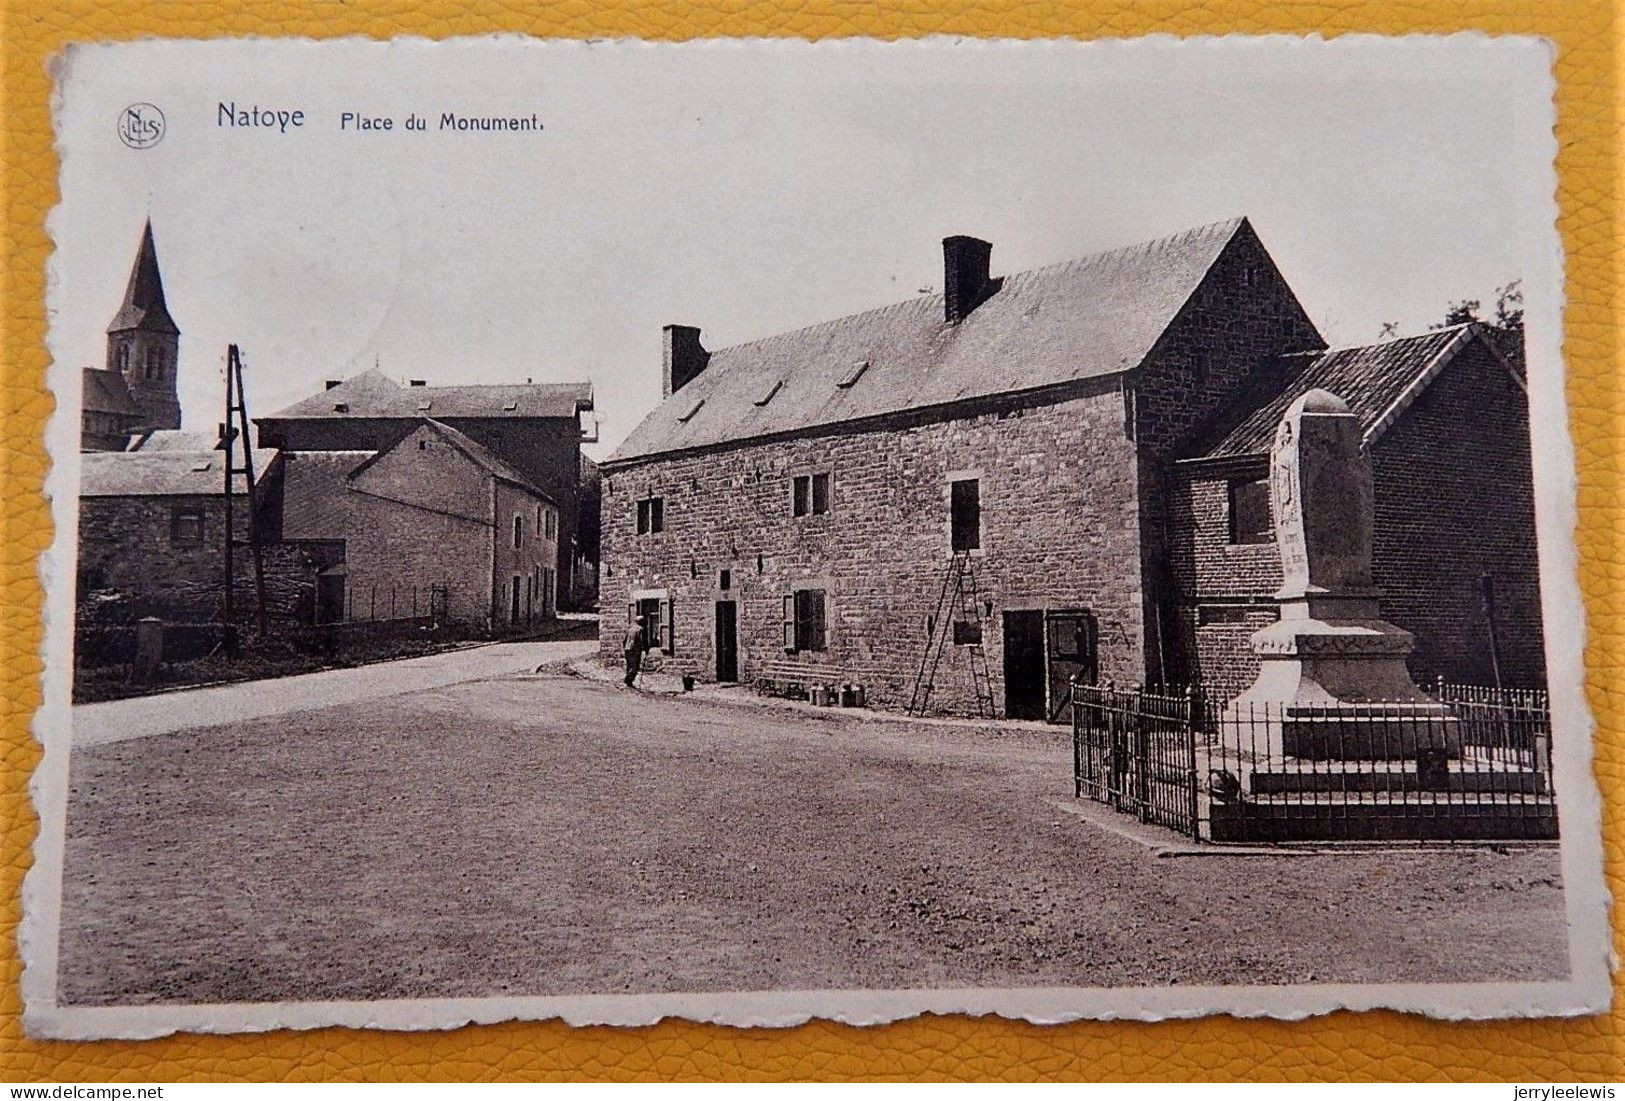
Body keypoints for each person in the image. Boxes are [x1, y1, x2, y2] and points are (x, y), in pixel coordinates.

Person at [623, 615, 648, 688]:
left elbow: (624, 640)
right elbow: (641, 641)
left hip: (627, 649)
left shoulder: (630, 629)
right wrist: (645, 649)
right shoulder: (640, 629)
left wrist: (625, 647)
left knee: (629, 665)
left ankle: (629, 682)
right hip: (635, 650)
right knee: (635, 666)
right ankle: (628, 679)